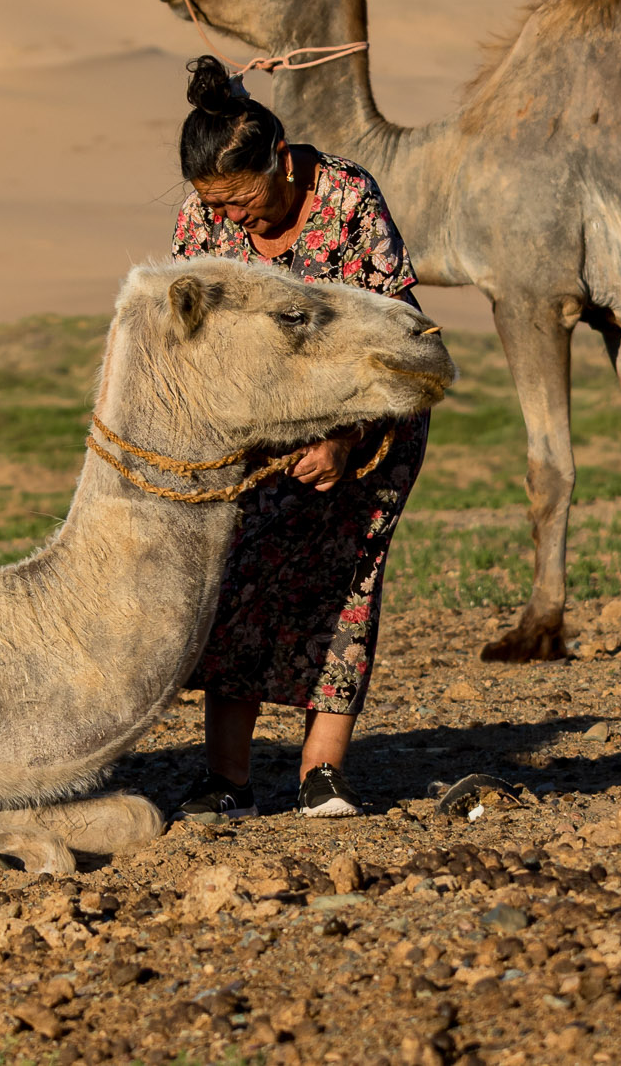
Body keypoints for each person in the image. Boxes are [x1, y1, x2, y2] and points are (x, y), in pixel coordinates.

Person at [169, 55, 432, 820]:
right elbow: (190, 335)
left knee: (345, 578)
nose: (234, 220)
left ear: (280, 160)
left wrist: (346, 440)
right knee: (237, 576)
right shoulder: (205, 215)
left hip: (369, 423)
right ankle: (227, 780)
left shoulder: (349, 198)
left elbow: (403, 336)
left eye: (243, 199)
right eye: (216, 203)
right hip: (255, 434)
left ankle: (323, 772)